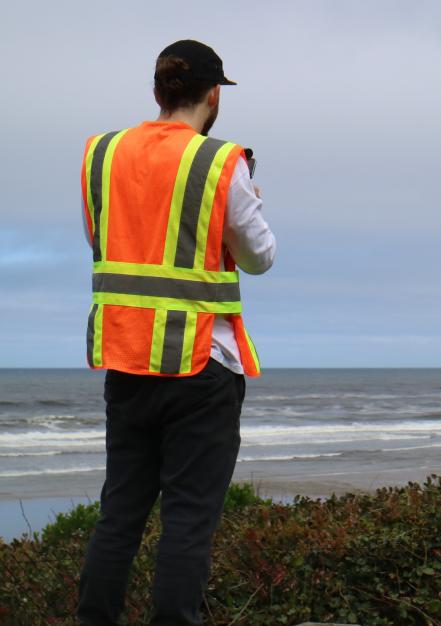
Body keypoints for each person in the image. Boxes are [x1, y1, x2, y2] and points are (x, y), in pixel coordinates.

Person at [77, 40, 275, 626]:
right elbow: (260, 256)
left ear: (158, 91)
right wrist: (249, 208)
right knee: (188, 521)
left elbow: (106, 242)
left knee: (120, 515)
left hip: (126, 358)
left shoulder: (102, 154)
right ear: (213, 96)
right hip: (200, 365)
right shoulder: (220, 162)